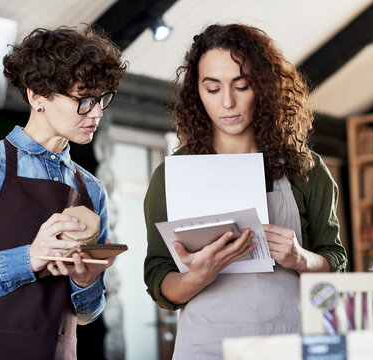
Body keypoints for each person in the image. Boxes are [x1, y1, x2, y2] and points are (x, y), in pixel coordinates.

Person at [144, 23, 347, 359]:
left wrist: (300, 258)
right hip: (206, 346)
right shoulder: (172, 174)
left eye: (242, 85)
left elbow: (335, 262)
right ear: (196, 93)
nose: (228, 102)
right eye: (212, 89)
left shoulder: (304, 168)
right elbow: (159, 277)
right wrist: (198, 276)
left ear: (264, 88)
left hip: (289, 342)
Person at [0, 25, 127, 359]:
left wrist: (86, 281)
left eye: (100, 100)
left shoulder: (91, 190)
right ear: (37, 95)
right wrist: (29, 259)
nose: (96, 112)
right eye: (82, 99)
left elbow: (87, 314)